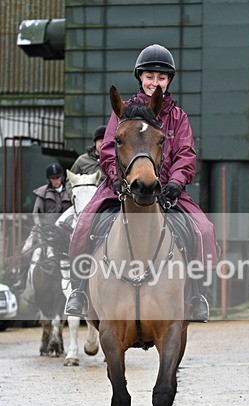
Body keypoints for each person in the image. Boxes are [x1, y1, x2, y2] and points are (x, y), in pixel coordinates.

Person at [65, 43, 217, 322]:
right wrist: (115, 178)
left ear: (168, 81)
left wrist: (174, 183)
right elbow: (109, 149)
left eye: (161, 78)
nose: (154, 82)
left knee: (204, 231)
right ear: (140, 77)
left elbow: (185, 154)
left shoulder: (178, 117)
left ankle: (197, 294)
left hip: (168, 189)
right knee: (83, 225)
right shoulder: (122, 112)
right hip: (121, 187)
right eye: (150, 77)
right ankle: (79, 290)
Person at [13, 163, 73, 292]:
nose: (56, 181)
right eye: (53, 178)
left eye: (58, 178)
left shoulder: (69, 192)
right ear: (49, 179)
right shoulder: (43, 193)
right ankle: (21, 280)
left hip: (64, 229)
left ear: (61, 177)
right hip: (45, 227)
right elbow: (36, 213)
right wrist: (40, 228)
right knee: (27, 249)